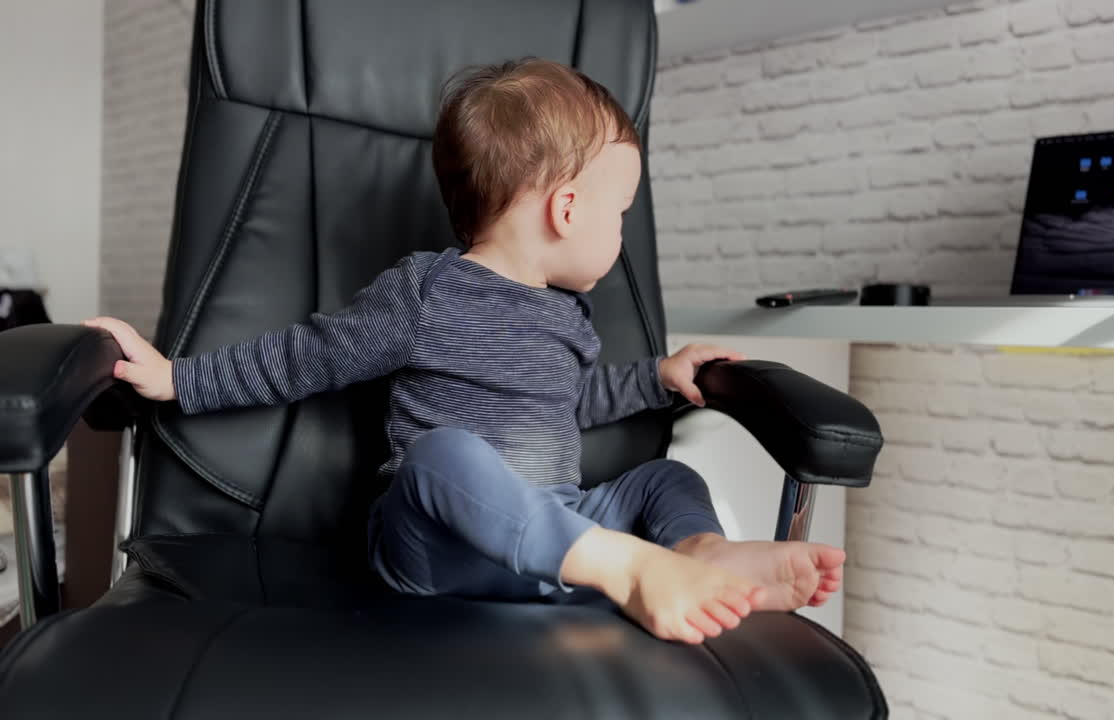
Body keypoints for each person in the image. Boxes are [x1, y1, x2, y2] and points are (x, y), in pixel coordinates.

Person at [86, 59, 844, 645]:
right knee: (440, 456)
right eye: (620, 213)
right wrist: (174, 378)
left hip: (555, 532)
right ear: (567, 208)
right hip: (437, 551)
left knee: (663, 477)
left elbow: (567, 403)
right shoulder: (425, 293)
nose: (622, 235)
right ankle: (627, 566)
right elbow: (304, 357)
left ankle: (697, 549)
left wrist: (657, 378)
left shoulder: (567, 318)